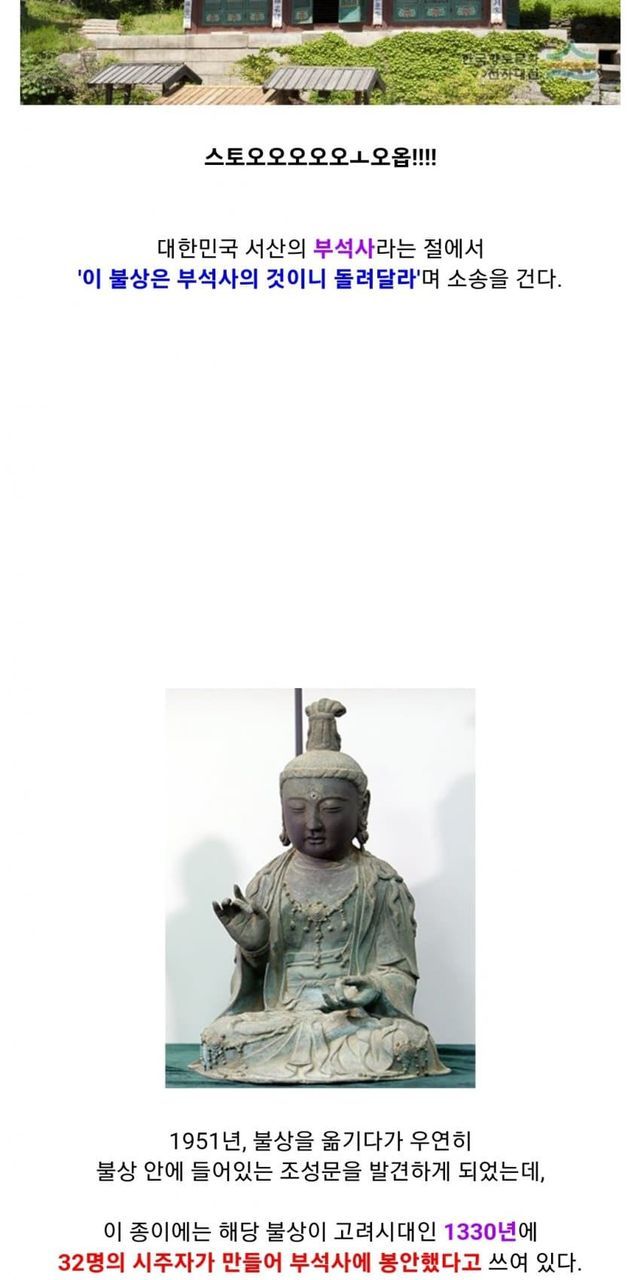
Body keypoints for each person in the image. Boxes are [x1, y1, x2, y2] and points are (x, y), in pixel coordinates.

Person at [194, 698, 449, 1084]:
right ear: (282, 812)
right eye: (297, 809)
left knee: (403, 1043)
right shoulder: (266, 884)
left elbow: (399, 973)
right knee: (221, 1037)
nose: (312, 823)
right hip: (280, 1021)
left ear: (362, 809)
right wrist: (254, 949)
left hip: (352, 1024)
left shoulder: (382, 884)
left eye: (330, 809)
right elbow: (251, 997)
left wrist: (374, 987)